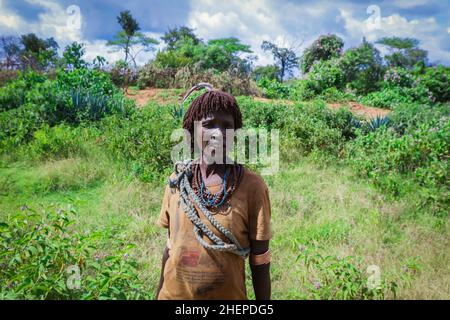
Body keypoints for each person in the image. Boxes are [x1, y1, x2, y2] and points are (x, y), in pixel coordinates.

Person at [156, 83, 272, 300]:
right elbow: (171, 247)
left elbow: (261, 259)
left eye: (227, 126)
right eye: (209, 125)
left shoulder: (252, 187)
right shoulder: (177, 182)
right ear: (192, 130)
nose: (219, 133)